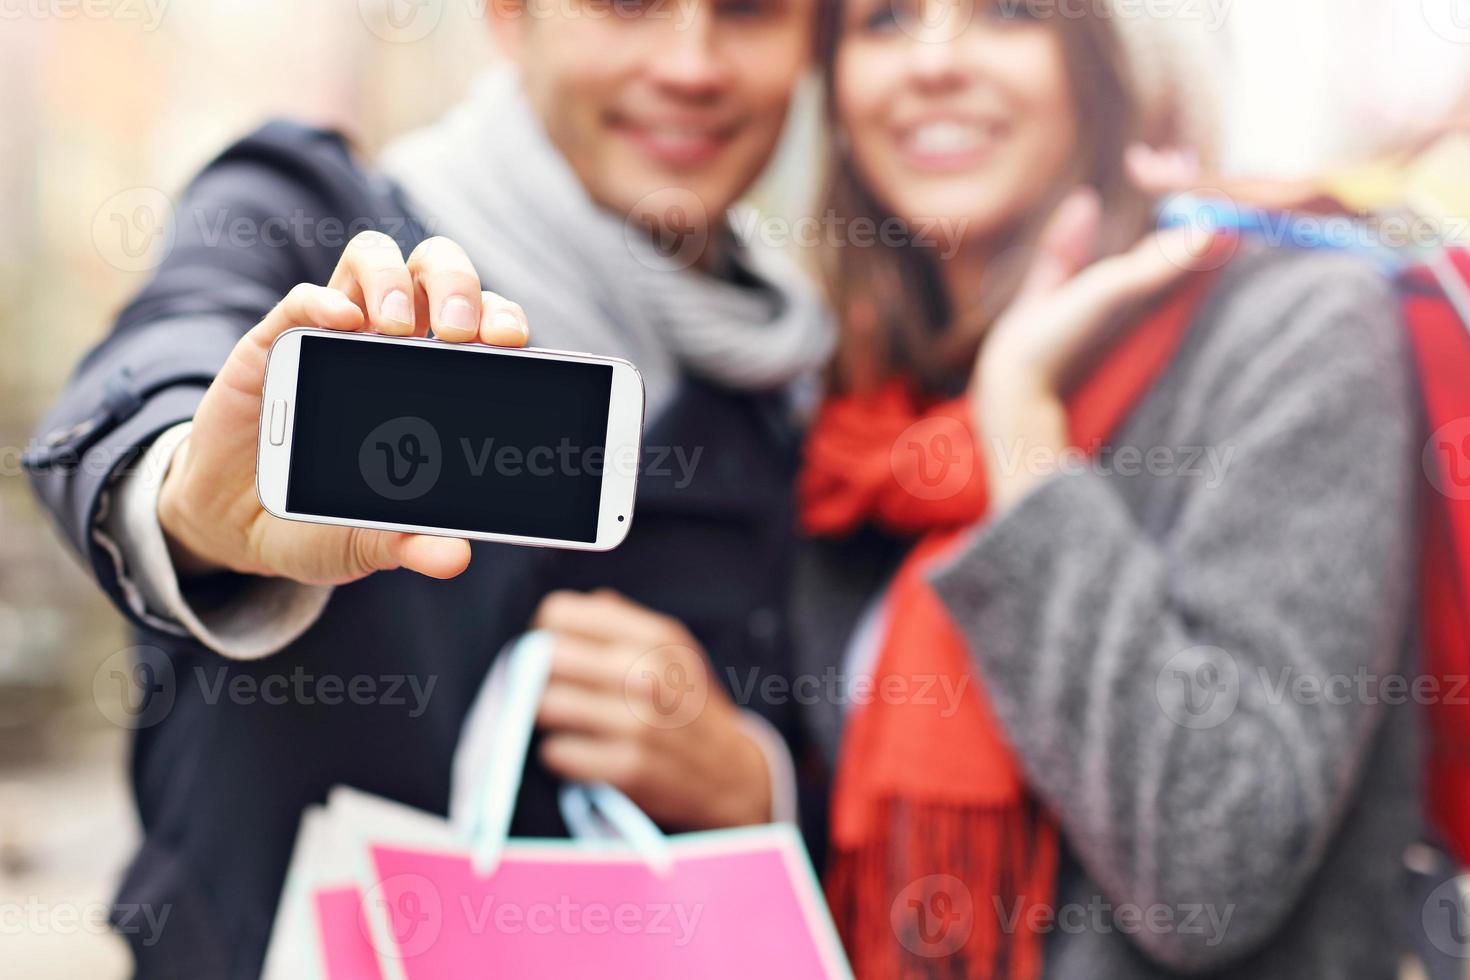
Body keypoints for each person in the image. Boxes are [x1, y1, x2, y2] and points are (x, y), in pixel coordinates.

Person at [25, 2, 829, 976]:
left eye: (749, 12)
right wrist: (189, 498)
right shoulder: (307, 225)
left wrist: (756, 784)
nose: (691, 64)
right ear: (509, 18)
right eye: (628, 5)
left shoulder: (803, 389)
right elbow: (155, 363)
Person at [792, 1, 1421, 977]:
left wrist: (1025, 441)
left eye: (1009, 13)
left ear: (1120, 64)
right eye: (883, 21)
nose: (935, 62)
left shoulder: (1293, 330)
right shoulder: (856, 410)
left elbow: (1212, 865)